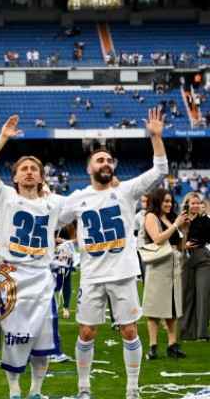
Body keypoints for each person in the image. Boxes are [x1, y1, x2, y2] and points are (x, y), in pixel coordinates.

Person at [58, 107, 169, 399]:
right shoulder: (77, 198)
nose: (105, 163)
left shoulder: (126, 191)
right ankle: (84, 389)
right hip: (92, 276)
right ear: (88, 168)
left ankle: (132, 390)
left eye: (109, 159)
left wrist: (155, 137)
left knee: (130, 331)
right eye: (99, 159)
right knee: (86, 333)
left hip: (122, 273)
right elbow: (50, 221)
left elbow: (160, 171)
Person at [0, 115, 63, 399]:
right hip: (11, 274)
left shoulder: (54, 203)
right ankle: (14, 390)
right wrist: (3, 138)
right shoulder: (6, 197)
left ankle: (36, 391)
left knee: (43, 338)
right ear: (14, 176)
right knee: (14, 335)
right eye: (23, 169)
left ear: (41, 177)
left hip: (42, 274)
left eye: (34, 169)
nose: (29, 172)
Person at [140, 187, 188, 359]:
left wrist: (184, 228)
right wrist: (175, 225)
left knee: (172, 307)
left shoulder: (172, 218)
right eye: (166, 201)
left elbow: (181, 245)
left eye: (170, 201)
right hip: (158, 265)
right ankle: (153, 347)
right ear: (158, 201)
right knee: (154, 308)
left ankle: (172, 345)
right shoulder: (151, 216)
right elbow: (158, 239)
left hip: (174, 264)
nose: (169, 204)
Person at [180, 192, 210, 341]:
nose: (196, 205)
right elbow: (174, 239)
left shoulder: (205, 220)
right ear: (187, 204)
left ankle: (202, 333)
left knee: (203, 295)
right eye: (193, 203)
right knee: (187, 296)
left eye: (198, 203)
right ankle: (186, 332)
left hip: (203, 259)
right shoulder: (181, 220)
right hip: (184, 261)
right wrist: (183, 244)